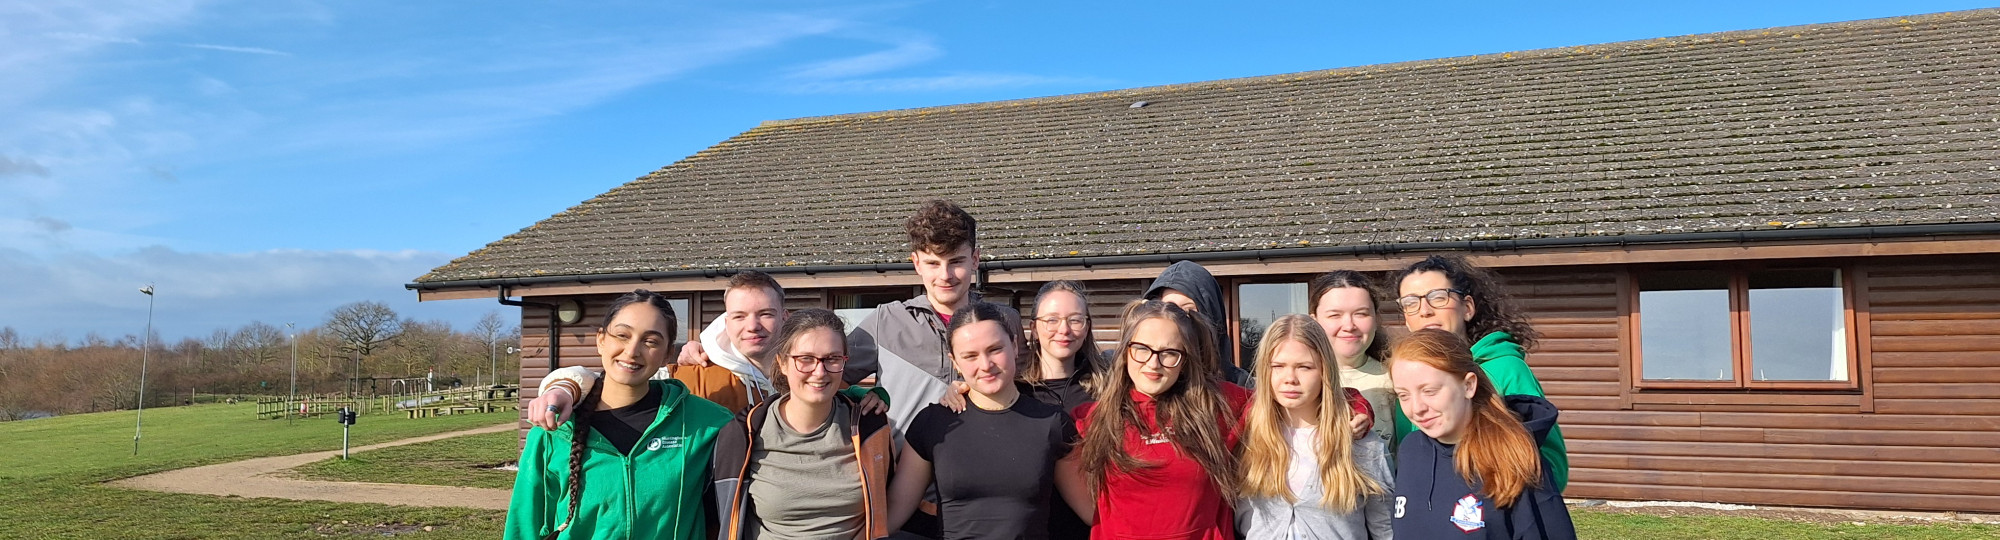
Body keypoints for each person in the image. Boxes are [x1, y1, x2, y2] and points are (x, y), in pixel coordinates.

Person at [505, 290, 733, 540]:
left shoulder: (706, 423)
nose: (632, 350)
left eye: (651, 341)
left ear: (668, 353)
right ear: (601, 340)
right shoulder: (553, 429)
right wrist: (565, 385)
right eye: (622, 335)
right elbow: (524, 526)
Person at [528, 271, 884, 424]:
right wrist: (564, 384)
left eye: (765, 314)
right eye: (740, 315)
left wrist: (874, 393)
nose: (753, 326)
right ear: (726, 320)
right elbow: (615, 380)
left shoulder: (804, 372)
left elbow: (840, 393)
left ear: (784, 316)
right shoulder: (692, 371)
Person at [888, 302, 1084, 540]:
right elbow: (892, 514)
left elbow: (1092, 510)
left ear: (1013, 345)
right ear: (955, 362)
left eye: (994, 350)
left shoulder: (1051, 422)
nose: (986, 365)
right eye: (970, 356)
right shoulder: (933, 424)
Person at [1060, 300, 1249, 540]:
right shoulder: (1094, 418)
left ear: (1186, 360)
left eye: (1169, 353)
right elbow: (1062, 464)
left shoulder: (1218, 406)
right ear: (1126, 351)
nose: (1153, 363)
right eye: (1141, 348)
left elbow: (1281, 403)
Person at [711, 309, 897, 540]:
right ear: (782, 363)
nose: (819, 372)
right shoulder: (745, 433)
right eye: (805, 359)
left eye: (832, 359)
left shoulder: (870, 427)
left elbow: (888, 502)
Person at [1392, 255, 1569, 490]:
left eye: (1438, 297)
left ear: (1467, 308)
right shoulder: (1404, 382)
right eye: (1411, 302)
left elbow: (1552, 465)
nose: (1424, 310)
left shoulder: (1505, 368)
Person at [1387, 329, 1575, 539]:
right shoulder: (1411, 450)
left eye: (1430, 391)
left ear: (1468, 385)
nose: (1417, 408)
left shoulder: (1514, 458)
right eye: (1403, 395)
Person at [1236, 315, 1393, 540]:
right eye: (1278, 366)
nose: (1290, 378)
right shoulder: (1246, 439)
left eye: (1304, 367)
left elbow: (1386, 529)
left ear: (1324, 371)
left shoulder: (1361, 442)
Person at [1307, 270, 1396, 446]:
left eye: (1361, 314)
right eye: (1334, 315)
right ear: (1314, 321)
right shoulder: (1298, 380)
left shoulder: (1396, 378)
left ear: (1376, 318)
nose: (1349, 326)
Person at [1143, 261, 1255, 388]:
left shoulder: (1240, 385)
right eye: (1171, 308)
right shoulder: (1146, 375)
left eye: (1188, 310)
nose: (1179, 318)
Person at [1022, 280, 1106, 413]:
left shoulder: (1108, 391)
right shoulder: (1017, 393)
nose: (1064, 330)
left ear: (1087, 328)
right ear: (1034, 329)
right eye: (1052, 320)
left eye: (1074, 320)